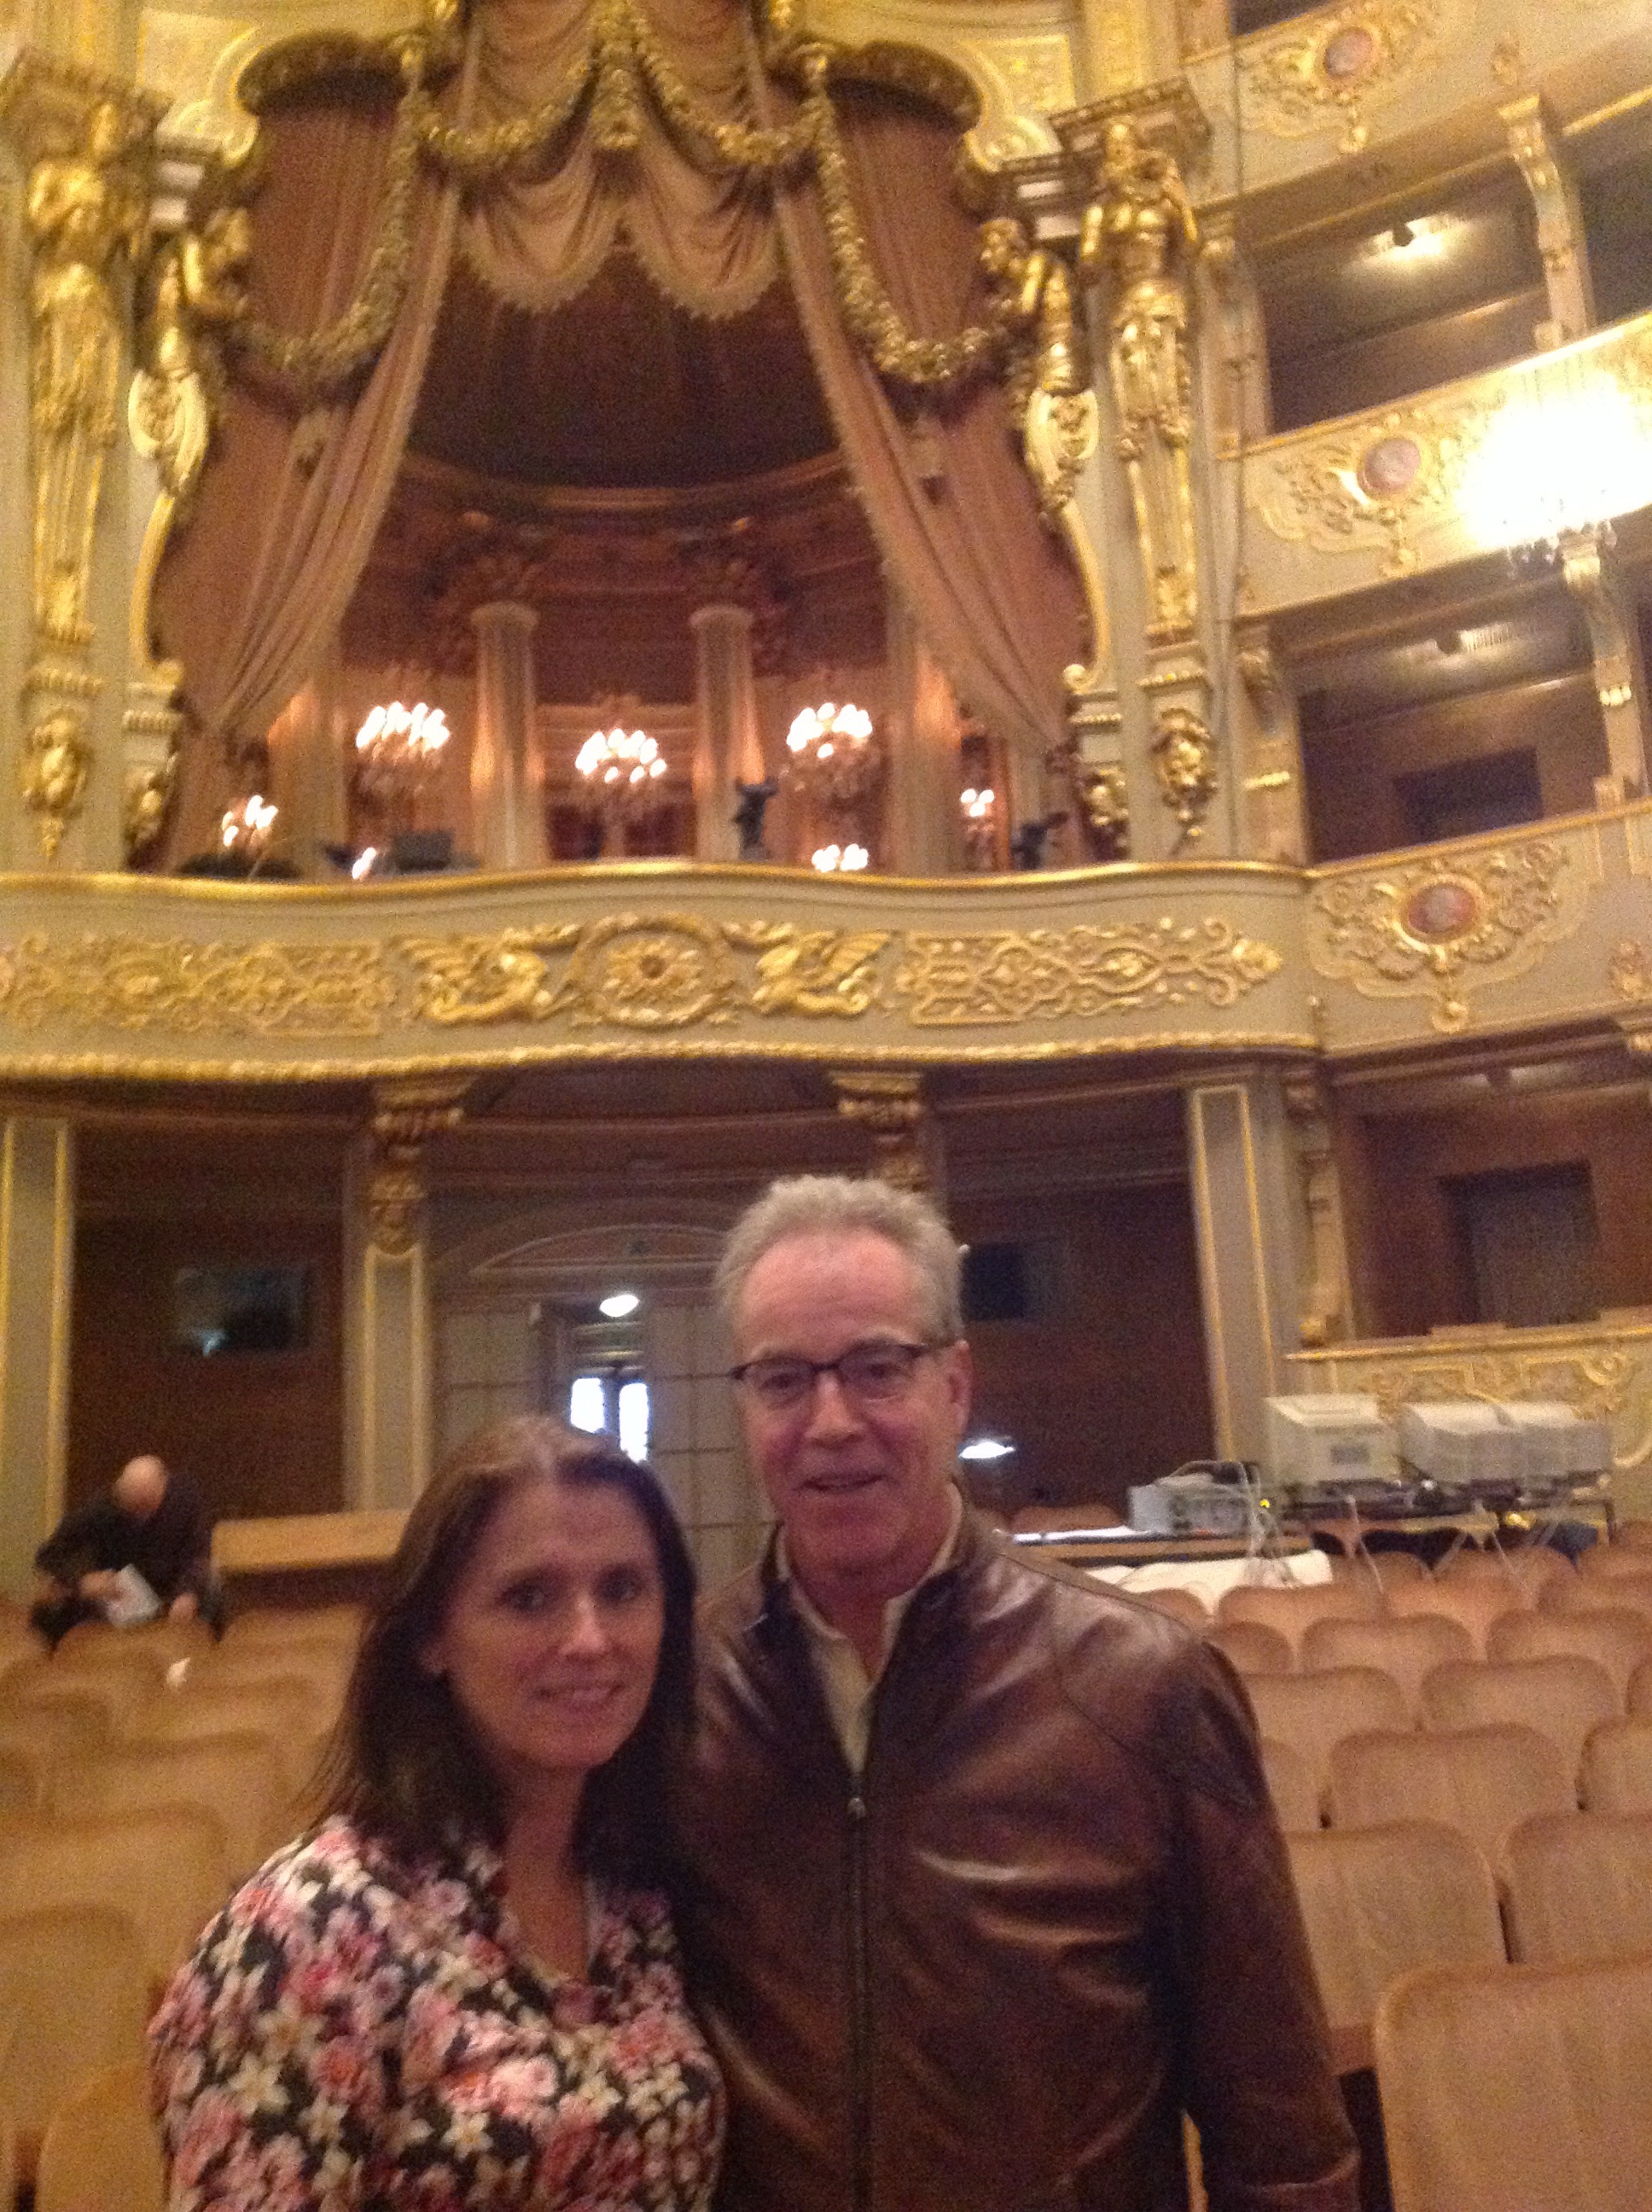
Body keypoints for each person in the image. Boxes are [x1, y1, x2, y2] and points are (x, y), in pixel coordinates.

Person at [675, 1175, 1358, 2212]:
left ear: (954, 1386)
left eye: (876, 1370)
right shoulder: (680, 1691)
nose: (830, 1422)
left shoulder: (1142, 1686)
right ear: (744, 1406)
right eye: (782, 1381)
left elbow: (1280, 2139)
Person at [148, 1417, 724, 2212]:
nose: (591, 1639)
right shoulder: (306, 1932)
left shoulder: (640, 1892)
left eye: (622, 1590)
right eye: (529, 1598)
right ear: (430, 1637)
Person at [32, 1453, 220, 1644]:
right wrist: (82, 1580)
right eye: (132, 1508)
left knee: (212, 1589)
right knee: (51, 1609)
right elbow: (48, 1556)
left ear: (163, 1490)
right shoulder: (100, 1507)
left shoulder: (185, 1501)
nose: (139, 1516)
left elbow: (197, 1554)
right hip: (116, 1594)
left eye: (145, 1507)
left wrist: (188, 1592)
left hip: (171, 1588)